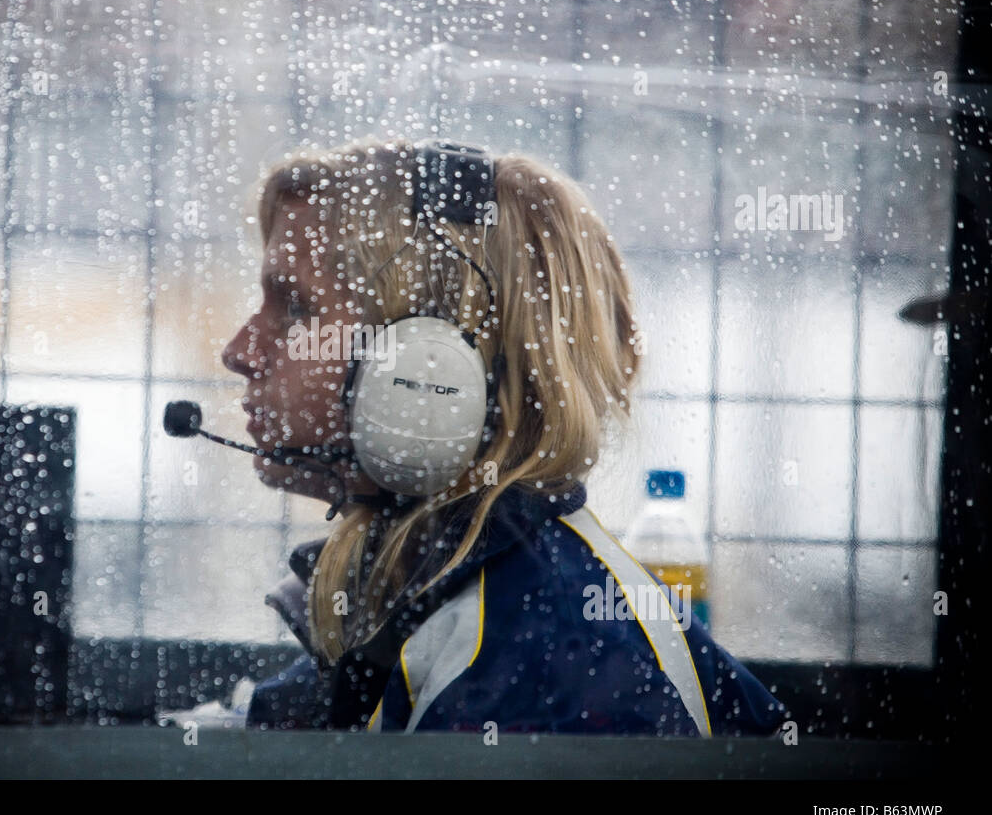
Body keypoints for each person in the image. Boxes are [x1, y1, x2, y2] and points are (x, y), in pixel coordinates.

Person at [219, 137, 785, 736]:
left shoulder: (550, 667)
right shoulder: (430, 589)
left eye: (295, 308)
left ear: (429, 367)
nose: (240, 351)